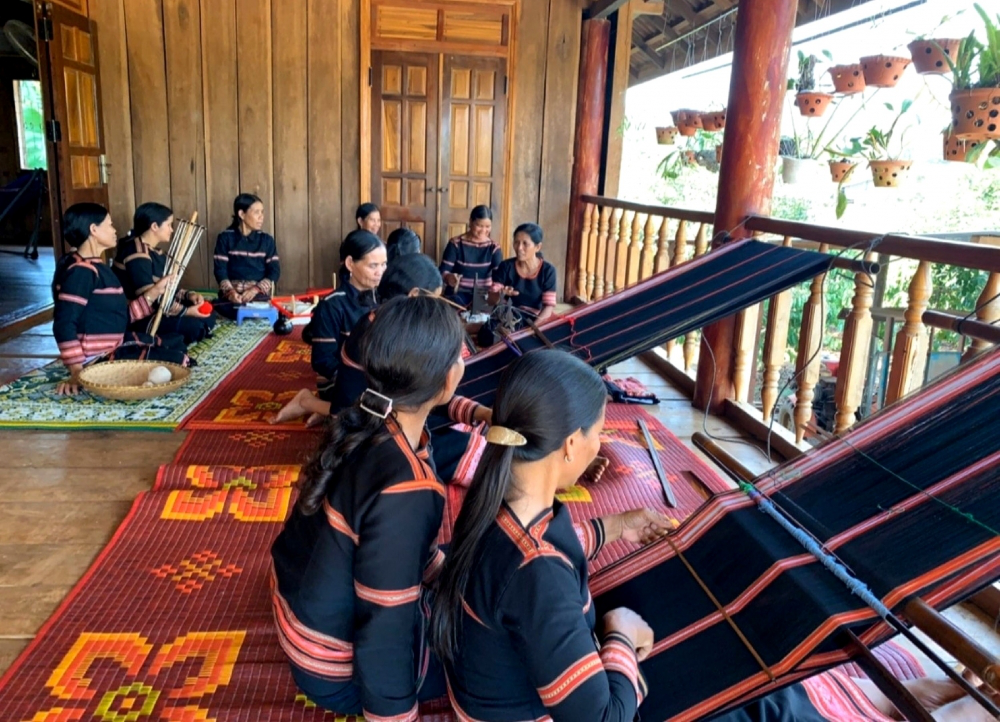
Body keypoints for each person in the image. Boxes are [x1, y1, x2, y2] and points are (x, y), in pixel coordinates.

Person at [429, 354, 995, 722]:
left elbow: (538, 564)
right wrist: (619, 639)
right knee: (732, 702)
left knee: (732, 665)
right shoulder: (538, 572)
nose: (602, 445)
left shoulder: (497, 510)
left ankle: (878, 700)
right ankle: (927, 714)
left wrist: (616, 527)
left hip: (515, 688)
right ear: (572, 445)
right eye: (601, 432)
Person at [270, 295, 465, 719]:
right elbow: (386, 634)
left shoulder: (366, 418)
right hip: (334, 672)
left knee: (471, 577)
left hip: (300, 612)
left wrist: (444, 574)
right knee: (495, 640)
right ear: (449, 381)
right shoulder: (408, 486)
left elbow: (398, 545)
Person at [52, 203, 189, 396]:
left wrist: (155, 292)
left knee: (176, 342)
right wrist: (76, 371)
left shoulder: (98, 267)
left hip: (115, 342)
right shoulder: (81, 272)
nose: (115, 230)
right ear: (94, 230)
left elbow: (120, 317)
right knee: (178, 360)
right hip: (97, 358)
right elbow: (64, 323)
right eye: (110, 225)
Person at [113, 202, 216, 345]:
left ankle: (190, 332)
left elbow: (168, 289)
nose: (172, 230)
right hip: (137, 317)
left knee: (209, 311)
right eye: (168, 225)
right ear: (154, 226)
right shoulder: (137, 253)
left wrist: (189, 295)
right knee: (193, 326)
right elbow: (152, 298)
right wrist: (186, 311)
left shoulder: (155, 252)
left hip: (158, 308)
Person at [303, 230, 385, 399]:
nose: (380, 272)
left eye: (384, 264)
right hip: (340, 380)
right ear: (350, 264)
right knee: (378, 406)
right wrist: (356, 380)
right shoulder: (332, 305)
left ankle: (322, 410)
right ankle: (310, 403)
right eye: (373, 266)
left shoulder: (383, 297)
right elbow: (322, 360)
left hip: (377, 379)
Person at [212, 193, 280, 319]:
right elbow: (220, 270)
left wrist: (255, 290)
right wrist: (231, 292)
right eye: (256, 212)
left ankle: (248, 311)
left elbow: (274, 271)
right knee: (218, 306)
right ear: (242, 214)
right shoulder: (225, 238)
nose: (261, 217)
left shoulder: (266, 240)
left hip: (258, 295)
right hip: (233, 295)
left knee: (261, 306)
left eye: (262, 212)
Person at [489, 222, 558, 323]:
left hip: (534, 320)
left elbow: (548, 307)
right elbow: (491, 300)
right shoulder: (506, 266)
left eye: (525, 244)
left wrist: (533, 329)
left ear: (538, 247)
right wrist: (501, 293)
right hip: (506, 318)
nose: (519, 248)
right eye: (516, 242)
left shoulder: (548, 271)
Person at [439, 205, 502, 307]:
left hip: (483, 295)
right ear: (470, 222)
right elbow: (443, 271)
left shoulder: (493, 247)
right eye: (479, 225)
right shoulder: (456, 244)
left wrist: (497, 287)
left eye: (487, 226)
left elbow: (499, 277)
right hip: (458, 294)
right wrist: (449, 277)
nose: (483, 230)